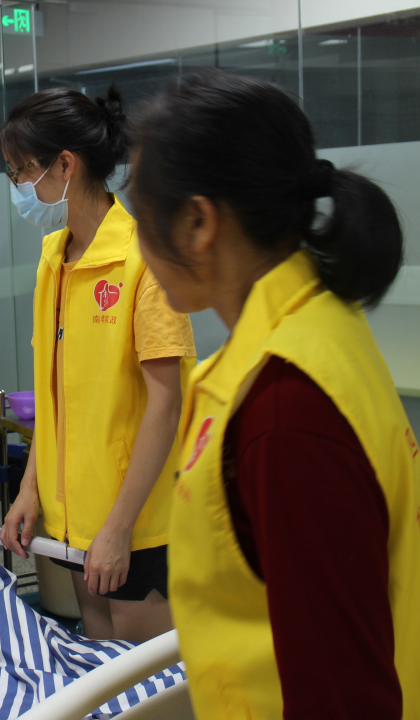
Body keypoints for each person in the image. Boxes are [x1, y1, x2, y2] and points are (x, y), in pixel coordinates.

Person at [129, 70, 419, 719]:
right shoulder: (321, 322)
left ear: (198, 222)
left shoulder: (284, 408)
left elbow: (342, 697)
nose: (140, 250)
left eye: (142, 220)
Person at [0, 87, 196, 643]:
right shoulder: (53, 260)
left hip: (136, 522)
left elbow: (166, 404)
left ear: (65, 165)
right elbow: (53, 394)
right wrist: (31, 490)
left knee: (148, 679)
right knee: (100, 660)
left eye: (22, 171)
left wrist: (119, 527)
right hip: (74, 518)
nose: (18, 186)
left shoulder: (143, 257)